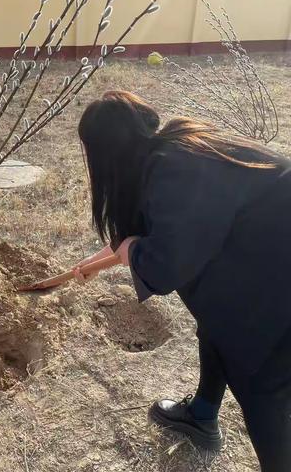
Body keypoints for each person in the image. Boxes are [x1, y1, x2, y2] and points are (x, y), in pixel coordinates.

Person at [74, 90, 291, 471]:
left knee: (263, 390)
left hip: (279, 281)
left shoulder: (174, 171)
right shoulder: (175, 149)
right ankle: (202, 414)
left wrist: (132, 251)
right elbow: (149, 239)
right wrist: (93, 263)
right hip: (267, 254)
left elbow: (164, 265)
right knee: (216, 327)